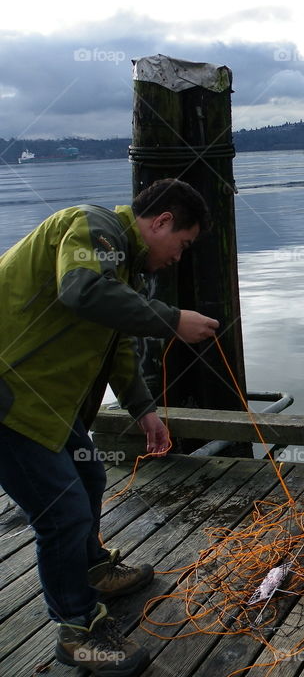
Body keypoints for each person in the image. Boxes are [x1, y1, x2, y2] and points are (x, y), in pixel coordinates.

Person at [0, 178, 220, 677]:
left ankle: (93, 569)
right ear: (161, 221)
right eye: (183, 245)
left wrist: (144, 409)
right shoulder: (92, 227)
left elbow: (116, 343)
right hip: (10, 400)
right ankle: (77, 629)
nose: (179, 258)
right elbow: (82, 290)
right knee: (62, 513)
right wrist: (171, 320)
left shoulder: (124, 269)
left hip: (46, 403)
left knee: (92, 479)